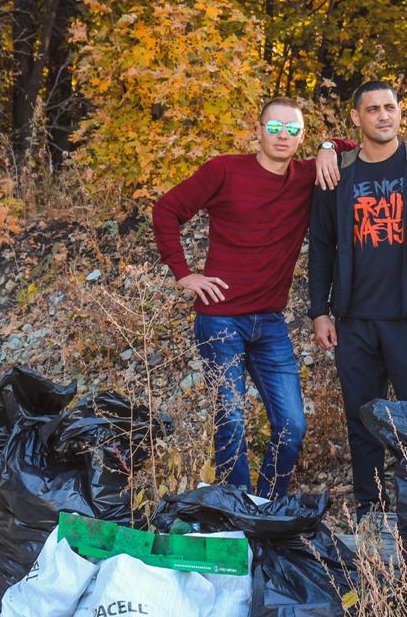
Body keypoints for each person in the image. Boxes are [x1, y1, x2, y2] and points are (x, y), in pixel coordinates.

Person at [151, 97, 353, 498]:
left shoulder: (306, 176)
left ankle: (267, 505)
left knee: (292, 425)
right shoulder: (224, 170)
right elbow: (166, 210)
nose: (283, 135)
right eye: (274, 127)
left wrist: (329, 147)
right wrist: (185, 274)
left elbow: (359, 145)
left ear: (302, 137)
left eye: (293, 129)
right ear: (257, 132)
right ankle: (236, 510)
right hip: (220, 320)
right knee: (232, 418)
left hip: (270, 323)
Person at [307, 81, 407, 519]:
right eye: (372, 109)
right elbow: (322, 244)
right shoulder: (338, 173)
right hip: (355, 318)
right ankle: (371, 506)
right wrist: (319, 311)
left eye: (390, 107)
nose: (383, 116)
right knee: (361, 416)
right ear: (357, 118)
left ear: (400, 112)